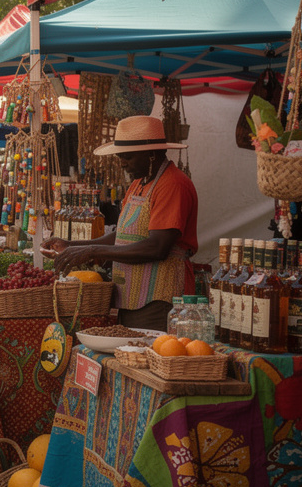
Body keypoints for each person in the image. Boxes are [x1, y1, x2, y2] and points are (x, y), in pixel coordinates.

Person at [43, 115, 198, 329]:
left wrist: (92, 251)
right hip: (132, 298)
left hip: (160, 299)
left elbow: (157, 247)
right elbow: (121, 236)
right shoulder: (138, 183)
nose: (122, 163)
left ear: (151, 153)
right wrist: (72, 246)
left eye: (128, 157)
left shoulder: (173, 184)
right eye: (120, 157)